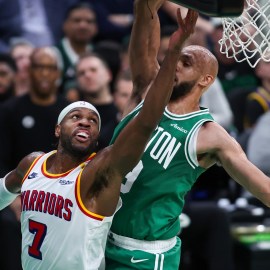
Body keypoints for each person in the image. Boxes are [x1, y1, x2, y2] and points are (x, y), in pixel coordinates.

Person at [0, 6, 198, 269]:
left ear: (96, 139)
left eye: (93, 121)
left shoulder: (100, 171)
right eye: (75, 117)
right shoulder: (31, 164)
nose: (85, 121)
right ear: (58, 129)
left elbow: (146, 122)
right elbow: (4, 189)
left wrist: (173, 53)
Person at [105, 0, 270, 269]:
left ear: (205, 80)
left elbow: (263, 186)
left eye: (187, 62)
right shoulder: (146, 89)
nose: (175, 64)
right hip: (99, 234)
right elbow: (144, 20)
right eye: (176, 58)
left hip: (145, 253)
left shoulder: (209, 134)